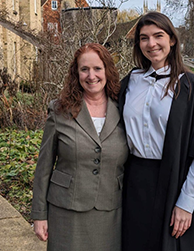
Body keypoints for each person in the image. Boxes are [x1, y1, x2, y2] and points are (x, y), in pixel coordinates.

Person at [118, 12, 194, 251]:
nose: (151, 44)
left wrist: (186, 204)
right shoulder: (129, 83)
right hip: (135, 183)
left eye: (159, 36)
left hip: (176, 180)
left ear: (173, 40)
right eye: (144, 38)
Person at [31, 43, 129, 251]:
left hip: (111, 212)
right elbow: (44, 168)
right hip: (66, 212)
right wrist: (39, 215)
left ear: (107, 71)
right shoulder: (59, 111)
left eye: (97, 69)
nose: (91, 76)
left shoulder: (125, 110)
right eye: (84, 69)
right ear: (76, 74)